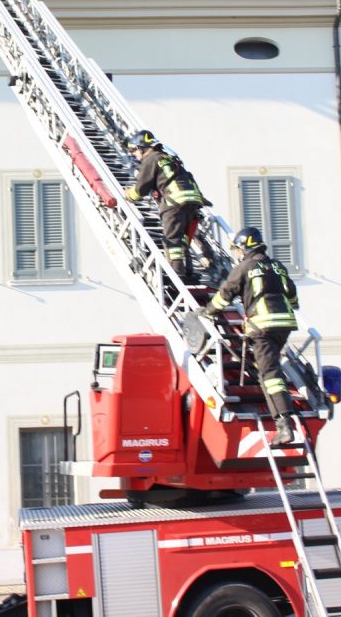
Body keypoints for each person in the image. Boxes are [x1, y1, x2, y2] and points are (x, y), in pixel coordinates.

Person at [202, 226, 300, 447]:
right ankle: (277, 403)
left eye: (238, 249)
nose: (237, 253)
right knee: (269, 367)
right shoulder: (277, 266)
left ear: (245, 246)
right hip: (284, 323)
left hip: (263, 326)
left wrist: (208, 311)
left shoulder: (245, 267)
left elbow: (226, 293)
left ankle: (285, 425)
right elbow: (292, 295)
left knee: (271, 374)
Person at [121, 130, 206, 282]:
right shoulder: (168, 157)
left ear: (142, 147)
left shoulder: (151, 159)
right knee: (183, 240)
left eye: (134, 150)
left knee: (171, 240)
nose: (133, 154)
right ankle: (188, 273)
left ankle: (177, 275)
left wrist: (128, 195)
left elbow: (141, 189)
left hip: (174, 203)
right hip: (192, 202)